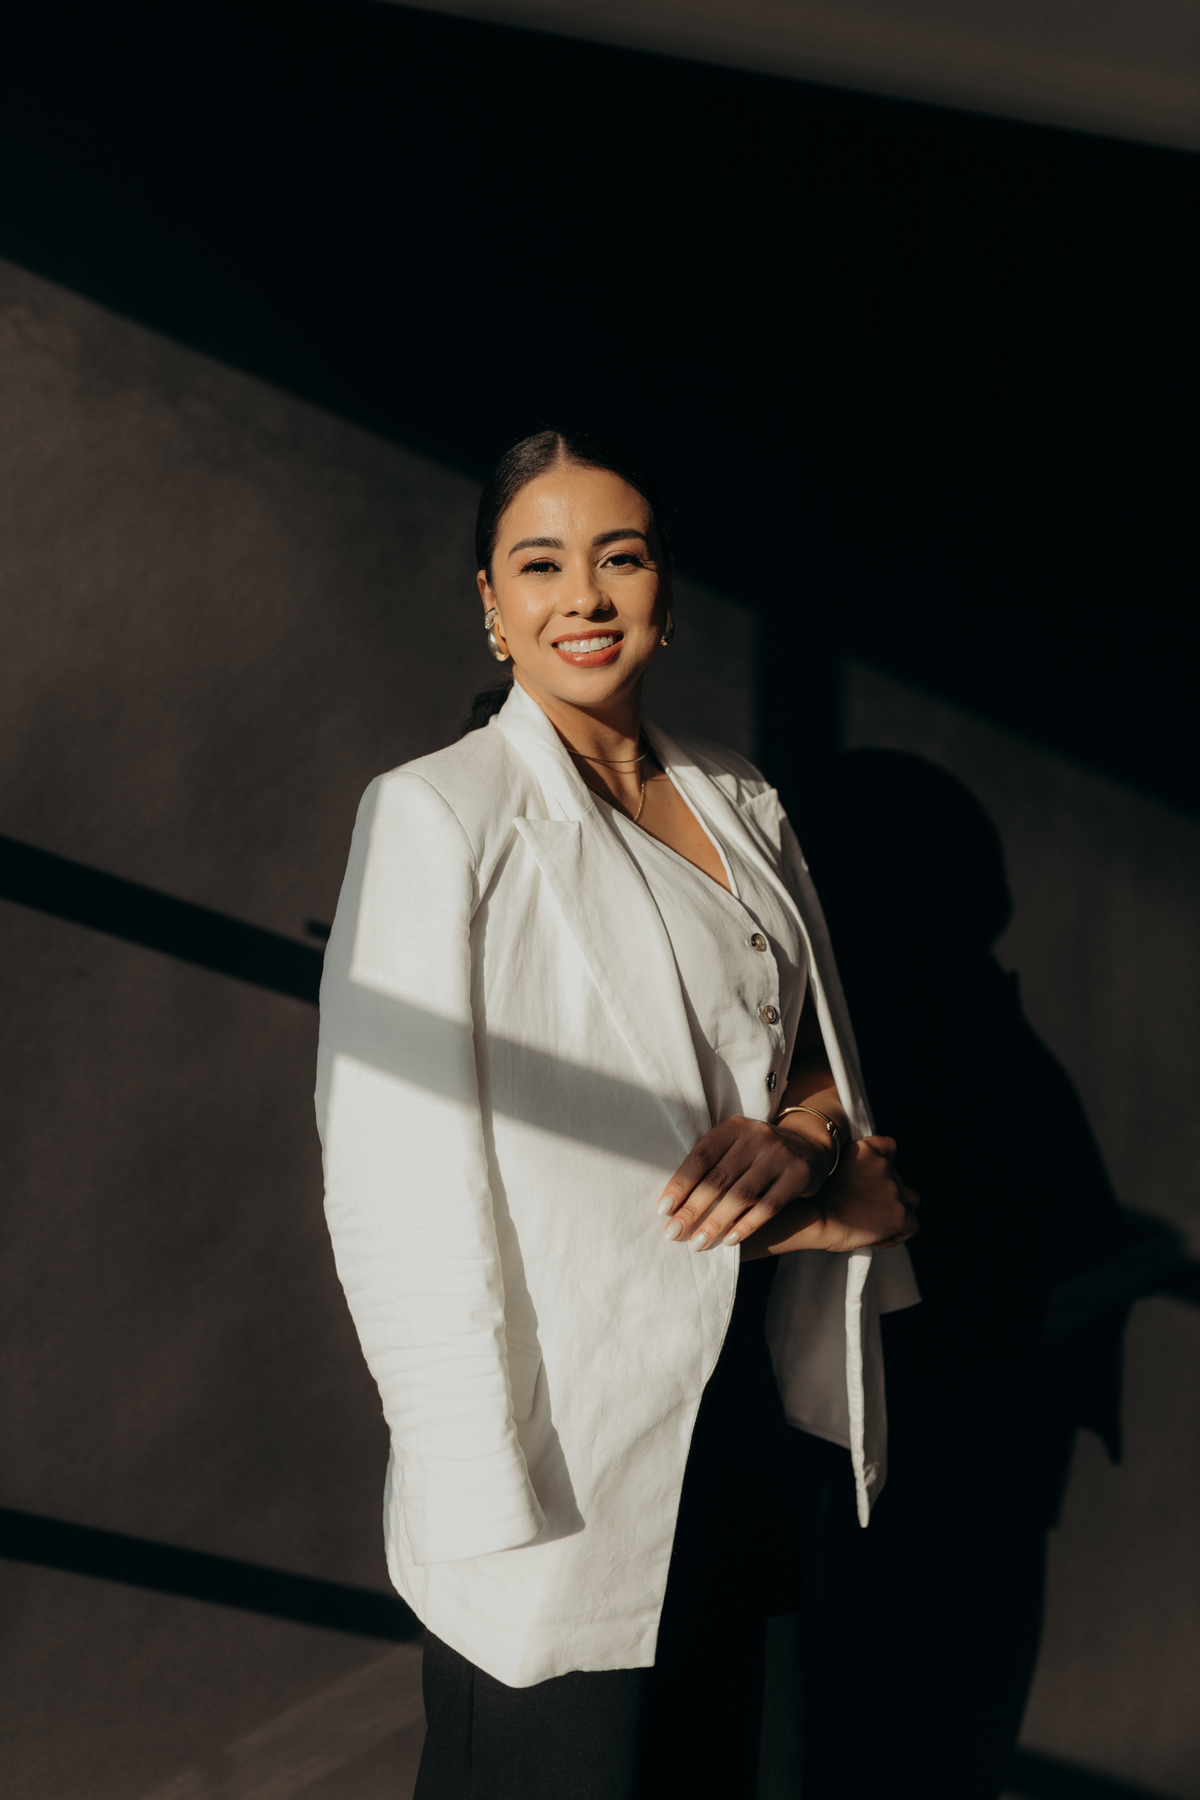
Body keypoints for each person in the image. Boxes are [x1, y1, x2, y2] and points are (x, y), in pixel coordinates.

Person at [315, 429, 920, 1799]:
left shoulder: (739, 794)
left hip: (745, 1410)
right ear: (490, 602)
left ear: (665, 591)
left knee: (740, 1768)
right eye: (541, 565)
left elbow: (812, 1049)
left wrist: (813, 1141)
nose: (583, 597)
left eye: (620, 558)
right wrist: (477, 1491)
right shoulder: (437, 815)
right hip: (561, 1447)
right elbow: (394, 1183)